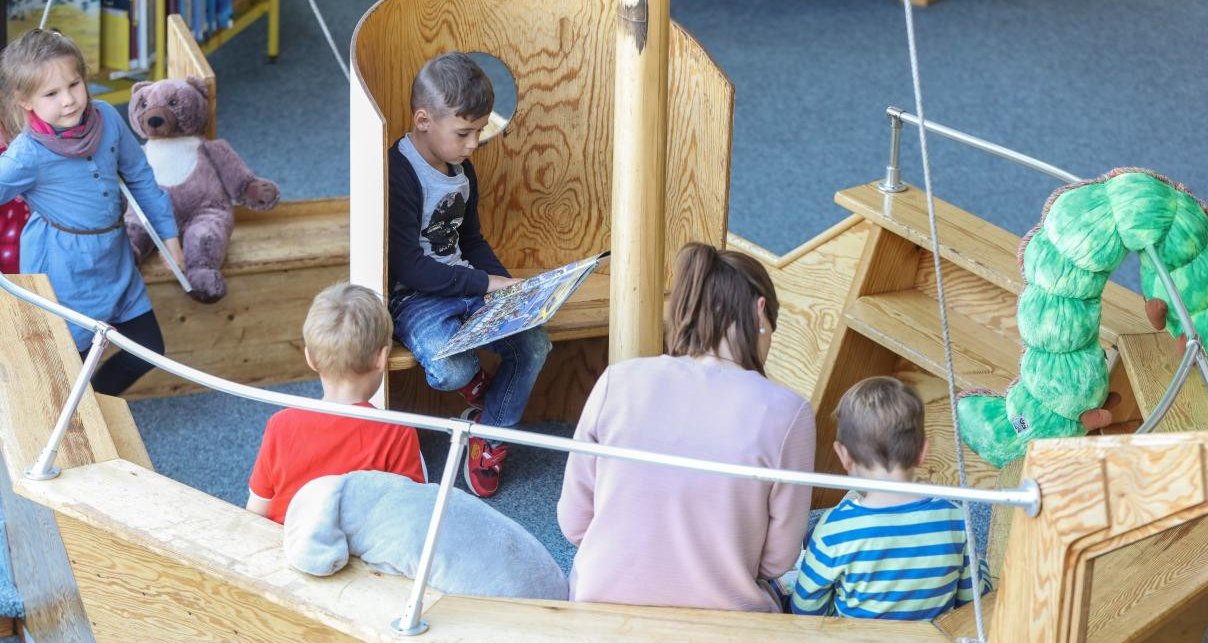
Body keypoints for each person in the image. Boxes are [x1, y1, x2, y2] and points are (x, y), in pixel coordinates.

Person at [557, 242, 815, 612]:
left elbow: (573, 522)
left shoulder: (618, 380)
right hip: (727, 620)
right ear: (761, 312)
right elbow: (778, 559)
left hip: (599, 602)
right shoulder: (789, 411)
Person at [387, 51, 550, 498]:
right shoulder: (398, 172)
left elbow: (471, 240)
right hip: (415, 297)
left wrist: (503, 287)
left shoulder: (462, 169)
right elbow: (408, 266)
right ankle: (487, 401)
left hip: (465, 283)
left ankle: (489, 436)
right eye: (464, 132)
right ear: (423, 119)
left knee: (534, 342)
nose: (474, 143)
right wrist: (485, 284)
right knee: (449, 365)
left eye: (479, 131)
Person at [0, 29, 184, 395]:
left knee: (149, 350)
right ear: (26, 101)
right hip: (63, 272)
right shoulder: (27, 155)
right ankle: (76, 419)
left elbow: (140, 177)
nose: (69, 100)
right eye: (51, 93)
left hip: (114, 260)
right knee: (70, 370)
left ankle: (95, 405)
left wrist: (169, 234)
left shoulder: (107, 119)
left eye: (75, 84)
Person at [791, 376, 991, 620]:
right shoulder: (957, 519)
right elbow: (974, 605)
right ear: (922, 452)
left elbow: (805, 611)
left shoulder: (833, 530)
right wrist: (981, 564)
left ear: (843, 455)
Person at [247, 283, 426, 524]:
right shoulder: (397, 431)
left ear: (309, 357)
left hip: (287, 549)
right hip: (361, 556)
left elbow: (256, 511)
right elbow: (410, 516)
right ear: (382, 358)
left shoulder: (280, 425)